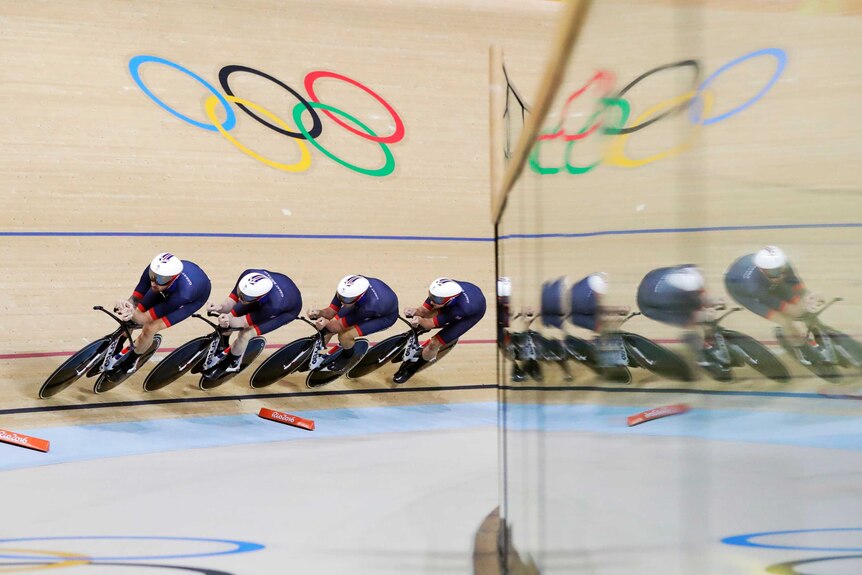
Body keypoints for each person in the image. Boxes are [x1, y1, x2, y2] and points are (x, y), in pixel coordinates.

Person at [111, 252, 211, 381]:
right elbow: (135, 299)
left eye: (161, 279)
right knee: (132, 314)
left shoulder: (183, 294)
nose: (154, 282)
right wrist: (127, 305)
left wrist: (132, 313)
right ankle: (118, 344)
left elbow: (144, 319)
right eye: (153, 276)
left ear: (173, 278)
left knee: (150, 328)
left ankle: (131, 362)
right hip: (173, 286)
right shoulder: (155, 272)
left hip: (193, 299)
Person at [724, 245, 823, 364]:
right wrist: (796, 309)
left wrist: (806, 296)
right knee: (785, 320)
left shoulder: (783, 263)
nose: (780, 275)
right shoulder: (752, 285)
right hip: (744, 293)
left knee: (800, 303)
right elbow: (774, 303)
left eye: (781, 270)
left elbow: (794, 281)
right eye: (774, 272)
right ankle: (800, 348)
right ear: (762, 269)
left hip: (759, 280)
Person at [204, 269, 303, 380]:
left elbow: (242, 322)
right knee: (230, 316)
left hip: (286, 310)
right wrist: (219, 307)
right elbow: (228, 304)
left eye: (245, 297)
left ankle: (231, 363)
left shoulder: (275, 306)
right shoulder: (247, 276)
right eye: (240, 293)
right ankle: (223, 344)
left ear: (259, 297)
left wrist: (227, 321)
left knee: (245, 334)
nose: (241, 299)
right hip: (270, 293)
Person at [396, 277, 486, 384]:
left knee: (434, 343)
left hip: (470, 315)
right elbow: (423, 311)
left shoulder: (462, 308)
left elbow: (430, 323)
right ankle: (419, 331)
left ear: (451, 299)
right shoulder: (440, 292)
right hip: (455, 300)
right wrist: (414, 311)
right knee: (427, 314)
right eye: (431, 296)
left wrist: (421, 320)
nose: (433, 301)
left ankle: (411, 369)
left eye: (436, 299)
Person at [306, 275, 399, 372]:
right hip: (362, 304)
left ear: (359, 297)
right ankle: (311, 354)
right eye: (340, 297)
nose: (342, 301)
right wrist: (318, 313)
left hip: (384, 317)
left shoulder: (369, 307)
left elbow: (337, 327)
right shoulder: (346, 289)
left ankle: (347, 356)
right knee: (327, 331)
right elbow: (331, 311)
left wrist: (326, 323)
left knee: (345, 336)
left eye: (346, 299)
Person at [637, 264, 724, 367]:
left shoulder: (691, 272)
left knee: (702, 312)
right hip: (652, 306)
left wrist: (711, 302)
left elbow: (701, 295)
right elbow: (691, 312)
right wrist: (704, 313)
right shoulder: (669, 298)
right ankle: (700, 356)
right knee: (693, 321)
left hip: (657, 280)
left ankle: (707, 342)